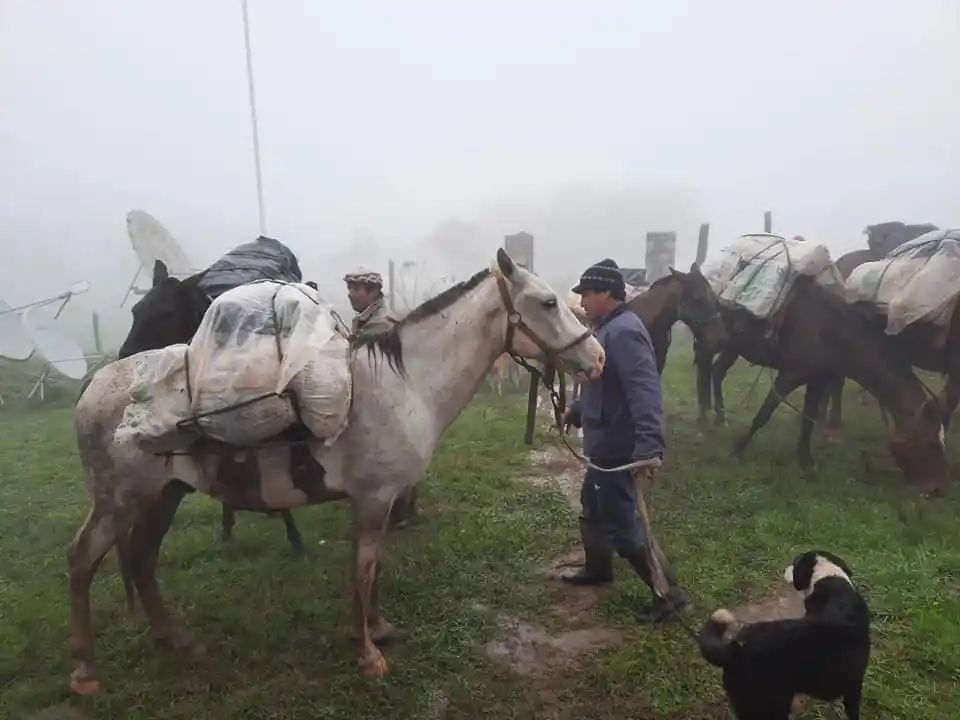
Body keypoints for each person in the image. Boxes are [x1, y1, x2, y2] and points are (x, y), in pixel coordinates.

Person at [561, 258, 690, 623]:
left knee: (623, 526)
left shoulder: (625, 332)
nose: (582, 300)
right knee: (591, 506)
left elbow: (644, 391)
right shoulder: (607, 328)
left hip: (620, 449)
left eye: (586, 293)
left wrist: (649, 447)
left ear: (606, 293)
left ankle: (670, 596)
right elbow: (605, 384)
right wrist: (578, 410)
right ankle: (598, 570)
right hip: (603, 444)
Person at [343, 268, 419, 529]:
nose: (351, 294)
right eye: (349, 288)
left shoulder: (382, 323)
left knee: (393, 454)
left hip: (387, 397)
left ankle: (401, 511)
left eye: (356, 289)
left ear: (373, 292)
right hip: (377, 394)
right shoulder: (365, 318)